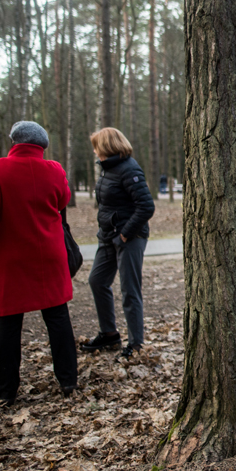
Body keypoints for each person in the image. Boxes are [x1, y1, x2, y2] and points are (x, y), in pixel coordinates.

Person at [0, 121, 78, 405]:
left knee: (9, 324)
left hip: (9, 259)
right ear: (42, 146)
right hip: (49, 257)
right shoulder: (55, 170)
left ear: (14, 142)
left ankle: (7, 390)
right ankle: (68, 381)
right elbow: (63, 198)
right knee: (58, 318)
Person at [81, 128, 155, 359]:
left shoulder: (129, 169)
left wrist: (124, 233)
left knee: (129, 291)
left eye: (96, 145)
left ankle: (136, 344)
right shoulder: (106, 169)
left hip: (130, 238)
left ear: (106, 147)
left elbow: (146, 207)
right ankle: (109, 334)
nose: (94, 150)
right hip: (107, 237)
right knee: (97, 280)